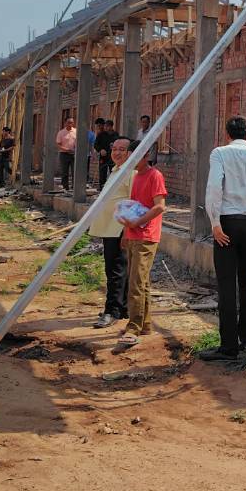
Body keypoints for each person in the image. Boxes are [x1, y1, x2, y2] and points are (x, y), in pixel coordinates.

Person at [199, 116, 246, 363]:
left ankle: (228, 346)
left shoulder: (219, 153)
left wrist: (214, 222)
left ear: (227, 134)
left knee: (226, 283)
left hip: (227, 224)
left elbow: (214, 188)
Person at [116, 148, 167, 349]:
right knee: (140, 281)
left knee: (136, 282)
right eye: (130, 155)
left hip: (146, 236)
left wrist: (137, 223)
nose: (131, 158)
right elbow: (134, 206)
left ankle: (133, 328)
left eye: (136, 155)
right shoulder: (136, 176)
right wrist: (126, 232)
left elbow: (160, 206)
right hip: (133, 234)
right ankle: (144, 324)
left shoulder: (155, 175)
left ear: (146, 156)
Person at [89, 137, 134, 329]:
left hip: (119, 229)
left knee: (115, 270)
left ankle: (112, 311)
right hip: (109, 227)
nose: (116, 152)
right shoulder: (116, 170)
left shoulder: (131, 173)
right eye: (114, 149)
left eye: (122, 149)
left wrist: (127, 230)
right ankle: (122, 307)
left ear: (131, 153)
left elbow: (133, 202)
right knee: (117, 269)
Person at [93, 118, 117, 189]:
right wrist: (100, 150)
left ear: (111, 127)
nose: (105, 128)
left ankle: (112, 187)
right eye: (105, 126)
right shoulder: (101, 134)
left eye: (107, 126)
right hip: (103, 157)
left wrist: (114, 146)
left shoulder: (116, 135)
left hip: (112, 157)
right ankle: (102, 187)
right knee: (102, 172)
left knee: (113, 172)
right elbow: (95, 145)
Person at [55, 117, 78, 190]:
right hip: (64, 154)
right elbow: (58, 144)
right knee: (64, 172)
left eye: (72, 122)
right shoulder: (61, 132)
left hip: (74, 154)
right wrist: (67, 149)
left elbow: (79, 142)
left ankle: (74, 187)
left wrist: (75, 149)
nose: (70, 124)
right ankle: (65, 187)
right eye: (69, 122)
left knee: (75, 171)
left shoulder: (76, 131)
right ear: (65, 123)